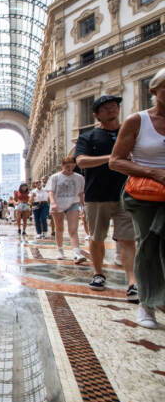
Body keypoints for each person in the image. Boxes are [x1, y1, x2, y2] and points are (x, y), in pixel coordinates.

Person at [109, 69, 165, 328]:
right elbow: (115, 161)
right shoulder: (137, 121)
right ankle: (146, 304)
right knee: (148, 245)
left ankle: (158, 295)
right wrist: (153, 172)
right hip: (145, 194)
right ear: (154, 91)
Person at [75, 94, 137, 299]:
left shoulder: (130, 133)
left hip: (127, 194)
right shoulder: (88, 137)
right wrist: (112, 158)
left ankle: (133, 282)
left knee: (128, 239)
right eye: (105, 108)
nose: (111, 109)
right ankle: (98, 273)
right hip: (97, 195)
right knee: (97, 237)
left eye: (114, 106)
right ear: (97, 115)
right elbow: (81, 161)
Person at [46, 157, 86, 262]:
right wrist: (53, 203)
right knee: (59, 229)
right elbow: (51, 192)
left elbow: (81, 193)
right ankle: (60, 250)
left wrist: (83, 206)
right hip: (58, 204)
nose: (69, 168)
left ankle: (77, 253)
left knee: (73, 229)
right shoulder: (55, 177)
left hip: (73, 203)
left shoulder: (79, 177)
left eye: (72, 166)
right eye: (67, 166)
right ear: (62, 165)